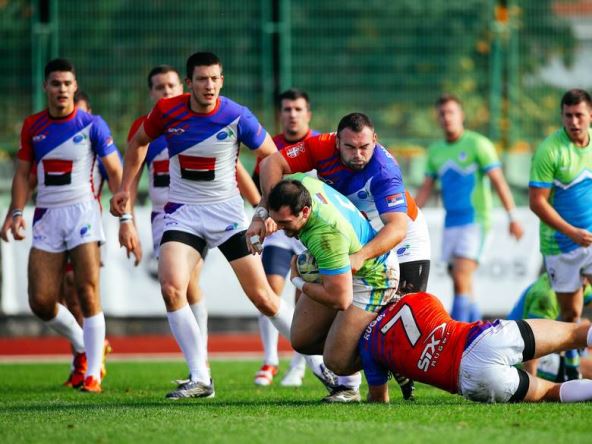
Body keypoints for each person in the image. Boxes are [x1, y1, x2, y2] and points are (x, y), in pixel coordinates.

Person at [110, 52, 299, 399]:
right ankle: (200, 377)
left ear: (221, 81)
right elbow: (137, 142)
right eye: (201, 79)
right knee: (172, 288)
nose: (208, 85)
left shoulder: (236, 115)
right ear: (189, 83)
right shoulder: (167, 112)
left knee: (264, 298)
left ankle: (322, 364)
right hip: (182, 214)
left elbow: (272, 156)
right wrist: (124, 188)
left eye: (214, 79)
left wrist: (265, 208)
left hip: (226, 216)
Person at [249, 111, 428, 398]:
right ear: (336, 142)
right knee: (310, 336)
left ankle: (384, 368)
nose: (358, 155)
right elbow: (272, 163)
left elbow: (397, 228)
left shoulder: (384, 171)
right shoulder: (321, 146)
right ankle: (358, 373)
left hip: (398, 238)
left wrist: (360, 257)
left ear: (375, 140)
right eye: (350, 147)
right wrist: (264, 212)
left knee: (401, 323)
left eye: (364, 147)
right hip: (348, 234)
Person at [0, 58, 122, 393]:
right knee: (40, 301)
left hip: (83, 214)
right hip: (47, 217)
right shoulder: (33, 125)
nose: (62, 89)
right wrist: (15, 211)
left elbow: (115, 170)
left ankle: (92, 373)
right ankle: (85, 345)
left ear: (74, 86)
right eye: (56, 84)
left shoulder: (92, 124)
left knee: (86, 291)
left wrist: (124, 214)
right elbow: (23, 174)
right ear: (46, 87)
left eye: (67, 84)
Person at [267, 174, 400, 402]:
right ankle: (351, 352)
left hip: (373, 278)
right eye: (275, 220)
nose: (278, 228)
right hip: (343, 264)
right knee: (301, 340)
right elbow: (272, 166)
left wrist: (298, 281)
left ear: (305, 211)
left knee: (336, 361)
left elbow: (340, 299)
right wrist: (260, 216)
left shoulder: (325, 236)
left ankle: (395, 355)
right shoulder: (299, 184)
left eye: (285, 223)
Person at [359, 291, 592, 404]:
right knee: (575, 334)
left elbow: (379, 399)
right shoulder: (417, 297)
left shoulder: (368, 345)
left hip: (471, 381)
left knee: (548, 392)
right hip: (483, 340)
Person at [415, 93, 523, 322]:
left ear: (461, 115)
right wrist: (408, 219)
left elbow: (498, 181)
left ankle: (459, 334)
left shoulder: (478, 144)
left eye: (451, 112)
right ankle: (476, 329)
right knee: (461, 281)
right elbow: (426, 188)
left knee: (461, 275)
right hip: (451, 222)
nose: (447, 117)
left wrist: (513, 216)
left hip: (475, 221)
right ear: (437, 118)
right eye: (442, 113)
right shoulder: (435, 151)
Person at [252, 88, 319, 387]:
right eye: (287, 109)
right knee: (269, 290)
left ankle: (299, 365)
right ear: (280, 114)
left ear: (308, 114)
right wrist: (262, 216)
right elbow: (260, 189)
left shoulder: (319, 146)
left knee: (304, 296)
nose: (292, 114)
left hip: (310, 232)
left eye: (298, 109)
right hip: (279, 232)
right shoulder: (270, 148)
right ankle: (270, 360)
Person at [529, 88, 592, 380]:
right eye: (568, 116)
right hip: (560, 244)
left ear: (590, 115)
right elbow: (537, 202)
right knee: (570, 314)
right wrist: (572, 232)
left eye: (579, 115)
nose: (574, 122)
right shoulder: (550, 150)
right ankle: (570, 365)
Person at [507, 273, 592, 380]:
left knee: (583, 324)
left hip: (540, 343)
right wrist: (531, 385)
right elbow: (532, 345)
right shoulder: (547, 297)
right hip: (518, 355)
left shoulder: (574, 280)